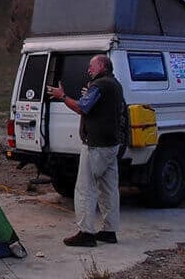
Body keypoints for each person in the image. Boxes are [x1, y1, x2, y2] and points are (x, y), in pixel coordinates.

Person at [46, 54, 126, 247]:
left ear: (101, 66)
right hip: (112, 144)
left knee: (85, 188)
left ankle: (86, 232)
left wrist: (62, 96)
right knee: (109, 188)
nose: (89, 70)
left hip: (96, 145)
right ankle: (110, 230)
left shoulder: (99, 86)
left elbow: (82, 107)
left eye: (91, 66)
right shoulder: (114, 84)